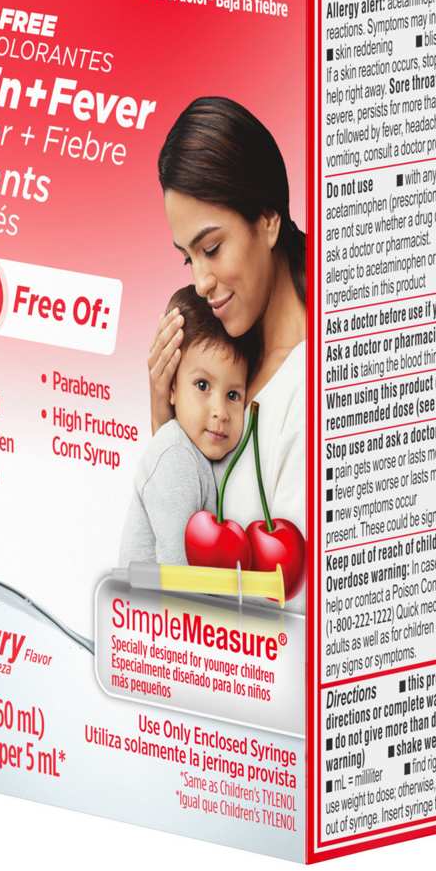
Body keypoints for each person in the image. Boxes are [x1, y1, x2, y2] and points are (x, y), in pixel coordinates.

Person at [147, 97, 309, 609]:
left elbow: (291, 611)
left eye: (212, 249)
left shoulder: (313, 387)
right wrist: (166, 422)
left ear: (268, 219)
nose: (201, 282)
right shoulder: (227, 357)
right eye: (188, 259)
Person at [117, 287, 257, 566]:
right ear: (171, 387)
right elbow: (177, 573)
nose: (220, 413)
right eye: (202, 385)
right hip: (155, 595)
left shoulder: (207, 455)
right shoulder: (175, 453)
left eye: (233, 395)